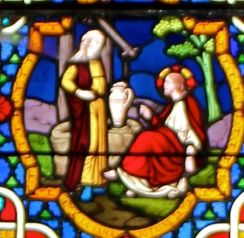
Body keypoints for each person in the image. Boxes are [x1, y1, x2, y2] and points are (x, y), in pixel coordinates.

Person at [106, 66, 206, 200]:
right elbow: (163, 125)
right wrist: (150, 116)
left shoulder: (190, 103)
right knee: (148, 138)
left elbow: (195, 131)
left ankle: (124, 173)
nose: (164, 86)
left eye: (167, 83)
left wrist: (191, 150)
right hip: (168, 142)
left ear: (177, 84)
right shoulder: (172, 105)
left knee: (147, 137)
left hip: (177, 149)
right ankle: (133, 180)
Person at [60, 30, 108, 196]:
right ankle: (83, 182)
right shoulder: (76, 64)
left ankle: (96, 181)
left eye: (100, 45)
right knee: (86, 144)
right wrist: (79, 92)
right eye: (95, 43)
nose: (98, 48)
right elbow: (66, 81)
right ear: (86, 43)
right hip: (85, 110)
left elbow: (101, 86)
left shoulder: (96, 63)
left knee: (100, 144)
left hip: (98, 108)